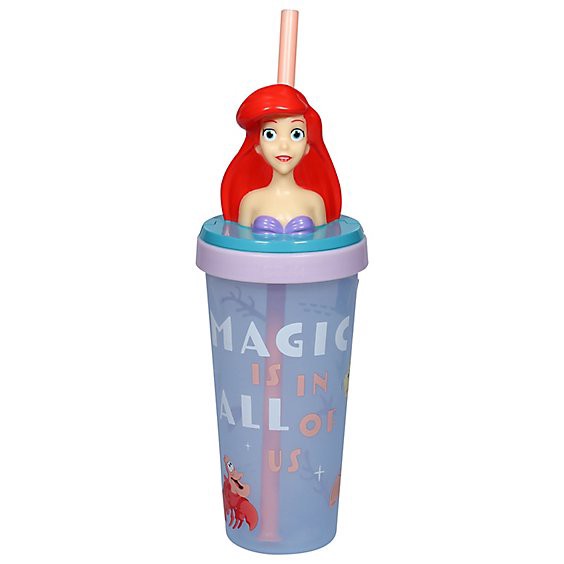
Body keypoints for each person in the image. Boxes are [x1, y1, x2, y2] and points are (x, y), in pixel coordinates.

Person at [221, 84, 342, 234]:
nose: (284, 146)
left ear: (307, 147)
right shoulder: (250, 202)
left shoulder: (314, 202)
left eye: (296, 134)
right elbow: (240, 245)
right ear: (258, 147)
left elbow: (323, 245)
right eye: (270, 134)